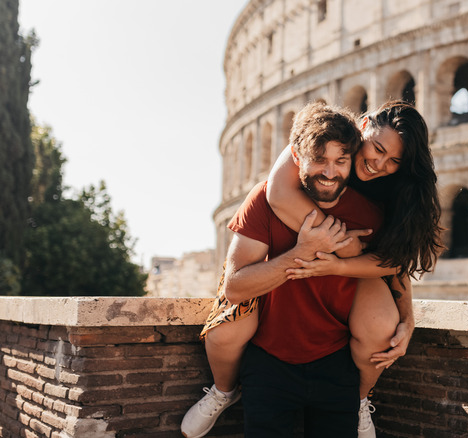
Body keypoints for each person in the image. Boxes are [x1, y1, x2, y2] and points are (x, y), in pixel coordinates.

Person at [181, 101, 443, 437]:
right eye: (376, 149)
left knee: (383, 327)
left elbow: (395, 261)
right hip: (299, 266)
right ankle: (223, 390)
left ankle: (359, 398)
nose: (379, 164)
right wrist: (334, 244)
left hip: (349, 273)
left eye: (394, 160)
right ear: (362, 127)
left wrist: (407, 317)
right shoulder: (316, 144)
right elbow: (277, 192)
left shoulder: (394, 190)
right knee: (227, 328)